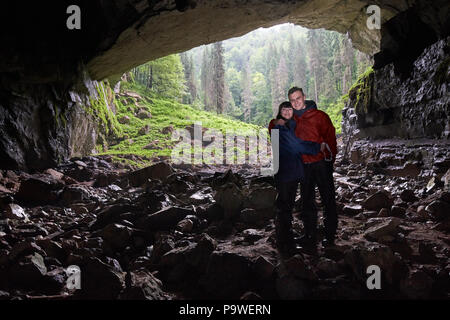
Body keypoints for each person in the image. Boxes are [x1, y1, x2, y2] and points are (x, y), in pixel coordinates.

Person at [268, 101, 321, 257]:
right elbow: (295, 145)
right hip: (284, 172)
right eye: (283, 109)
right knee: (284, 206)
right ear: (280, 111)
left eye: (289, 109)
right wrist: (317, 147)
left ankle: (289, 238)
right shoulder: (278, 126)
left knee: (288, 205)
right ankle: (285, 241)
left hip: (295, 171)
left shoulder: (292, 125)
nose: (286, 111)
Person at [288, 87, 338, 249]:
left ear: (304, 97)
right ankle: (310, 235)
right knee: (307, 201)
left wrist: (329, 161)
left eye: (298, 98)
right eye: (292, 100)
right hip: (304, 166)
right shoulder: (292, 120)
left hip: (321, 164)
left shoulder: (320, 116)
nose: (296, 102)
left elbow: (331, 138)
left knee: (328, 199)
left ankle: (330, 236)